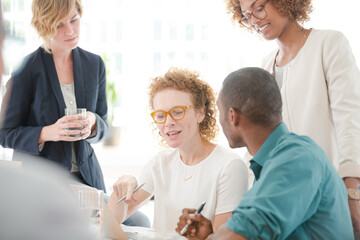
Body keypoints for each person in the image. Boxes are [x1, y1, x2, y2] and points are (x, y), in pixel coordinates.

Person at [224, 0, 360, 236]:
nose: (254, 20)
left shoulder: (328, 43)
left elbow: (350, 117)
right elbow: (264, 140)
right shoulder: (266, 65)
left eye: (259, 8)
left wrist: (352, 189)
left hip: (327, 192)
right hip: (286, 197)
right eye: (246, 15)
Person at [176, 67, 353, 239]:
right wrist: (210, 236)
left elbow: (241, 235)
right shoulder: (276, 161)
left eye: (220, 111)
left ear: (232, 116)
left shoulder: (295, 159)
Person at [107, 67, 248, 233]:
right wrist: (123, 186)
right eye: (161, 115)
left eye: (177, 112)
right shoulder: (159, 163)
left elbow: (226, 238)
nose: (168, 122)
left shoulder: (230, 166)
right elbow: (110, 223)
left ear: (200, 113)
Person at [0, 0, 107, 191]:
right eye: (59, 25)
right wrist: (47, 133)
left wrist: (92, 122)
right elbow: (4, 133)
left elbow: (104, 125)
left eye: (74, 20)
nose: (71, 31)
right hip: (45, 182)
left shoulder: (94, 64)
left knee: (137, 218)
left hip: (88, 178)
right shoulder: (27, 70)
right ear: (44, 27)